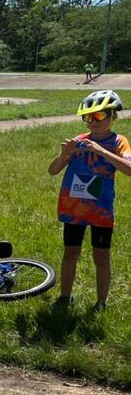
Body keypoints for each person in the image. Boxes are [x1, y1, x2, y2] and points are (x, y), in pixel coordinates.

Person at [48, 89, 131, 311]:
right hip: (74, 209)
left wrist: (102, 152)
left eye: (99, 116)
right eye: (88, 117)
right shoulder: (79, 141)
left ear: (113, 115)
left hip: (101, 211)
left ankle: (101, 303)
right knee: (70, 253)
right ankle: (65, 298)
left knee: (101, 258)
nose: (93, 122)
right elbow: (53, 171)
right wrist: (64, 153)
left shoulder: (119, 141)